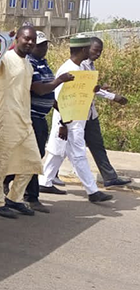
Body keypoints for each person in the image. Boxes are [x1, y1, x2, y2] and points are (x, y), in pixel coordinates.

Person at [2, 31, 74, 213]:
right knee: (33, 158)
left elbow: (48, 94)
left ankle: (8, 177)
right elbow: (40, 89)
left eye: (44, 45)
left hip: (41, 117)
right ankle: (31, 196)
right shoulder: (29, 64)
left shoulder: (43, 64)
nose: (43, 48)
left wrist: (62, 114)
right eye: (39, 45)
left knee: (36, 155)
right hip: (30, 116)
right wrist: (60, 80)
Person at [39, 35, 114, 203]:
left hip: (74, 119)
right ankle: (93, 191)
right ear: (83, 50)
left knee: (58, 152)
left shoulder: (79, 68)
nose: (91, 51)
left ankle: (45, 181)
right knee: (78, 154)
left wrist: (94, 89)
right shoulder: (68, 69)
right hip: (68, 121)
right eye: (89, 48)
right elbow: (58, 99)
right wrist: (63, 124)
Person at [0, 26, 41, 219]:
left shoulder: (29, 64)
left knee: (32, 162)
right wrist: (2, 42)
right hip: (3, 119)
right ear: (18, 39)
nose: (30, 42)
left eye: (33, 40)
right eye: (26, 38)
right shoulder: (5, 59)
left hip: (23, 120)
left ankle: (14, 198)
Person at [78, 37, 131, 187]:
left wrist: (101, 88)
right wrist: (114, 97)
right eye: (96, 50)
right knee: (63, 148)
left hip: (89, 113)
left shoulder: (90, 65)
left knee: (97, 144)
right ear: (87, 48)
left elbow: (92, 88)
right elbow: (86, 88)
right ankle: (48, 178)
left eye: (100, 51)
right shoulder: (80, 65)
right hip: (79, 113)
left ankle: (109, 176)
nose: (98, 54)